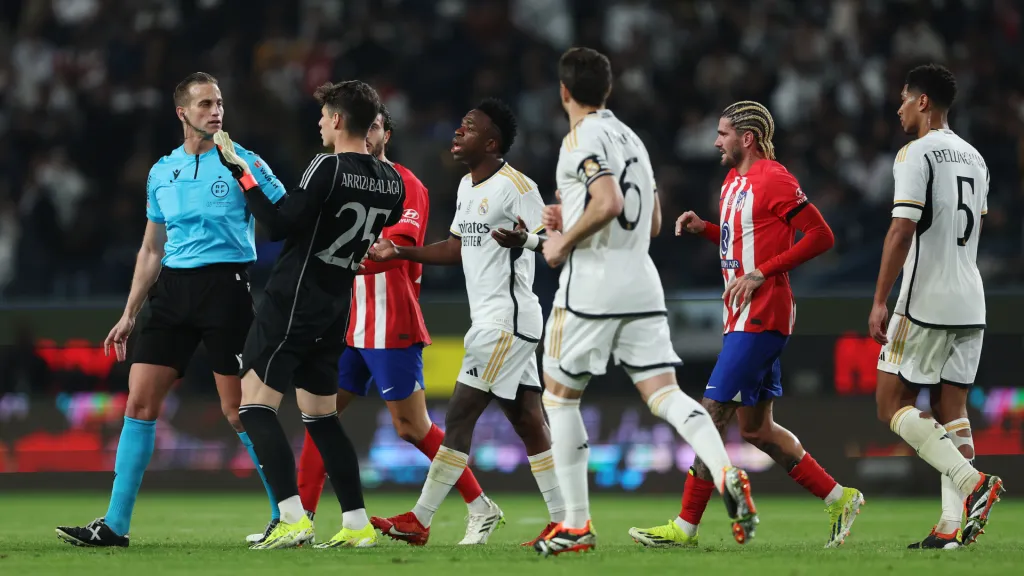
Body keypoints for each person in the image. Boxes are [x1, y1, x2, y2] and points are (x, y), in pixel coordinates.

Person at [532, 47, 757, 557]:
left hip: (592, 283)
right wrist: (570, 214)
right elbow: (651, 221)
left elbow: (608, 202)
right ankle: (725, 472)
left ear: (565, 92)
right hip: (642, 280)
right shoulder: (632, 138)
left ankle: (576, 525)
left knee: (560, 398)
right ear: (607, 90)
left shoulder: (579, 138)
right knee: (665, 396)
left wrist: (563, 241)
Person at [56, 72, 284, 547]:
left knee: (238, 411)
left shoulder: (245, 161)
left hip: (227, 288)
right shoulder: (162, 171)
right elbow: (151, 249)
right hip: (172, 291)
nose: (216, 111)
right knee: (139, 402)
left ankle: (287, 517)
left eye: (219, 102)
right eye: (205, 104)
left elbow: (289, 216)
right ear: (182, 113)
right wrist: (129, 313)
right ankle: (115, 525)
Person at [628, 100, 864, 550]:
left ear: (747, 138)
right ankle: (840, 497)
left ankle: (685, 527)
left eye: (722, 134)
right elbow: (744, 239)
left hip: (764, 313)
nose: (715, 141)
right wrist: (706, 229)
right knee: (756, 430)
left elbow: (821, 235)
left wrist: (764, 272)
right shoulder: (732, 180)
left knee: (709, 412)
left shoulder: (774, 177)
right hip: (739, 315)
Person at [281, 107, 500, 547]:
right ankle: (300, 522)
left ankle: (481, 506)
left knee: (411, 426)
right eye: (365, 126)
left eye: (376, 126)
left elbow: (397, 244)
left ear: (386, 134)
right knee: (318, 415)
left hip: (391, 320)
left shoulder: (406, 183)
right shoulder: (343, 179)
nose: (368, 134)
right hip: (347, 323)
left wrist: (337, 259)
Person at [366, 99, 565, 547]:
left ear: (491, 143)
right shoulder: (466, 187)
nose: (458, 133)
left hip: (507, 321)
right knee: (529, 421)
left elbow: (557, 245)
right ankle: (566, 520)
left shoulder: (518, 186)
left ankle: (420, 519)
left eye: (469, 128)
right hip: (493, 320)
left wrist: (526, 239)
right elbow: (456, 249)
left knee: (459, 414)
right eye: (460, 126)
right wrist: (400, 252)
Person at [221, 80, 405, 550]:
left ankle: (291, 517)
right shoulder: (393, 181)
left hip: (294, 299)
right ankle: (358, 522)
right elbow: (369, 229)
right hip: (335, 307)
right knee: (321, 417)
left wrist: (244, 174)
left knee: (254, 406)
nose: (319, 122)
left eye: (324, 114)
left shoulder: (327, 165)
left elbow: (281, 225)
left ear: (340, 120)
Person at [870, 64, 1003, 549]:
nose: (900, 106)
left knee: (892, 403)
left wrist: (881, 299)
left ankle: (974, 485)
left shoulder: (915, 153)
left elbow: (902, 229)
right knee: (953, 408)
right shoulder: (976, 157)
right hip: (972, 298)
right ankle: (952, 527)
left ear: (924, 102)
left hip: (925, 299)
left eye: (905, 98)